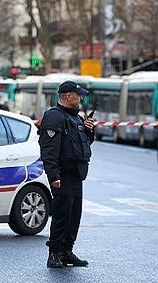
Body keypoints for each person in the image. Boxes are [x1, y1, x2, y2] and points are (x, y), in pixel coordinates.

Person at [39, 81, 94, 268]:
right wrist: (53, 176)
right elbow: (49, 150)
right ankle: (54, 253)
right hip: (62, 176)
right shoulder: (54, 117)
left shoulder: (76, 118)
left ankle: (67, 251)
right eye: (78, 95)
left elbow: (83, 145)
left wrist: (89, 131)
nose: (81, 99)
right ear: (68, 96)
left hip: (77, 175)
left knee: (74, 216)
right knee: (62, 216)